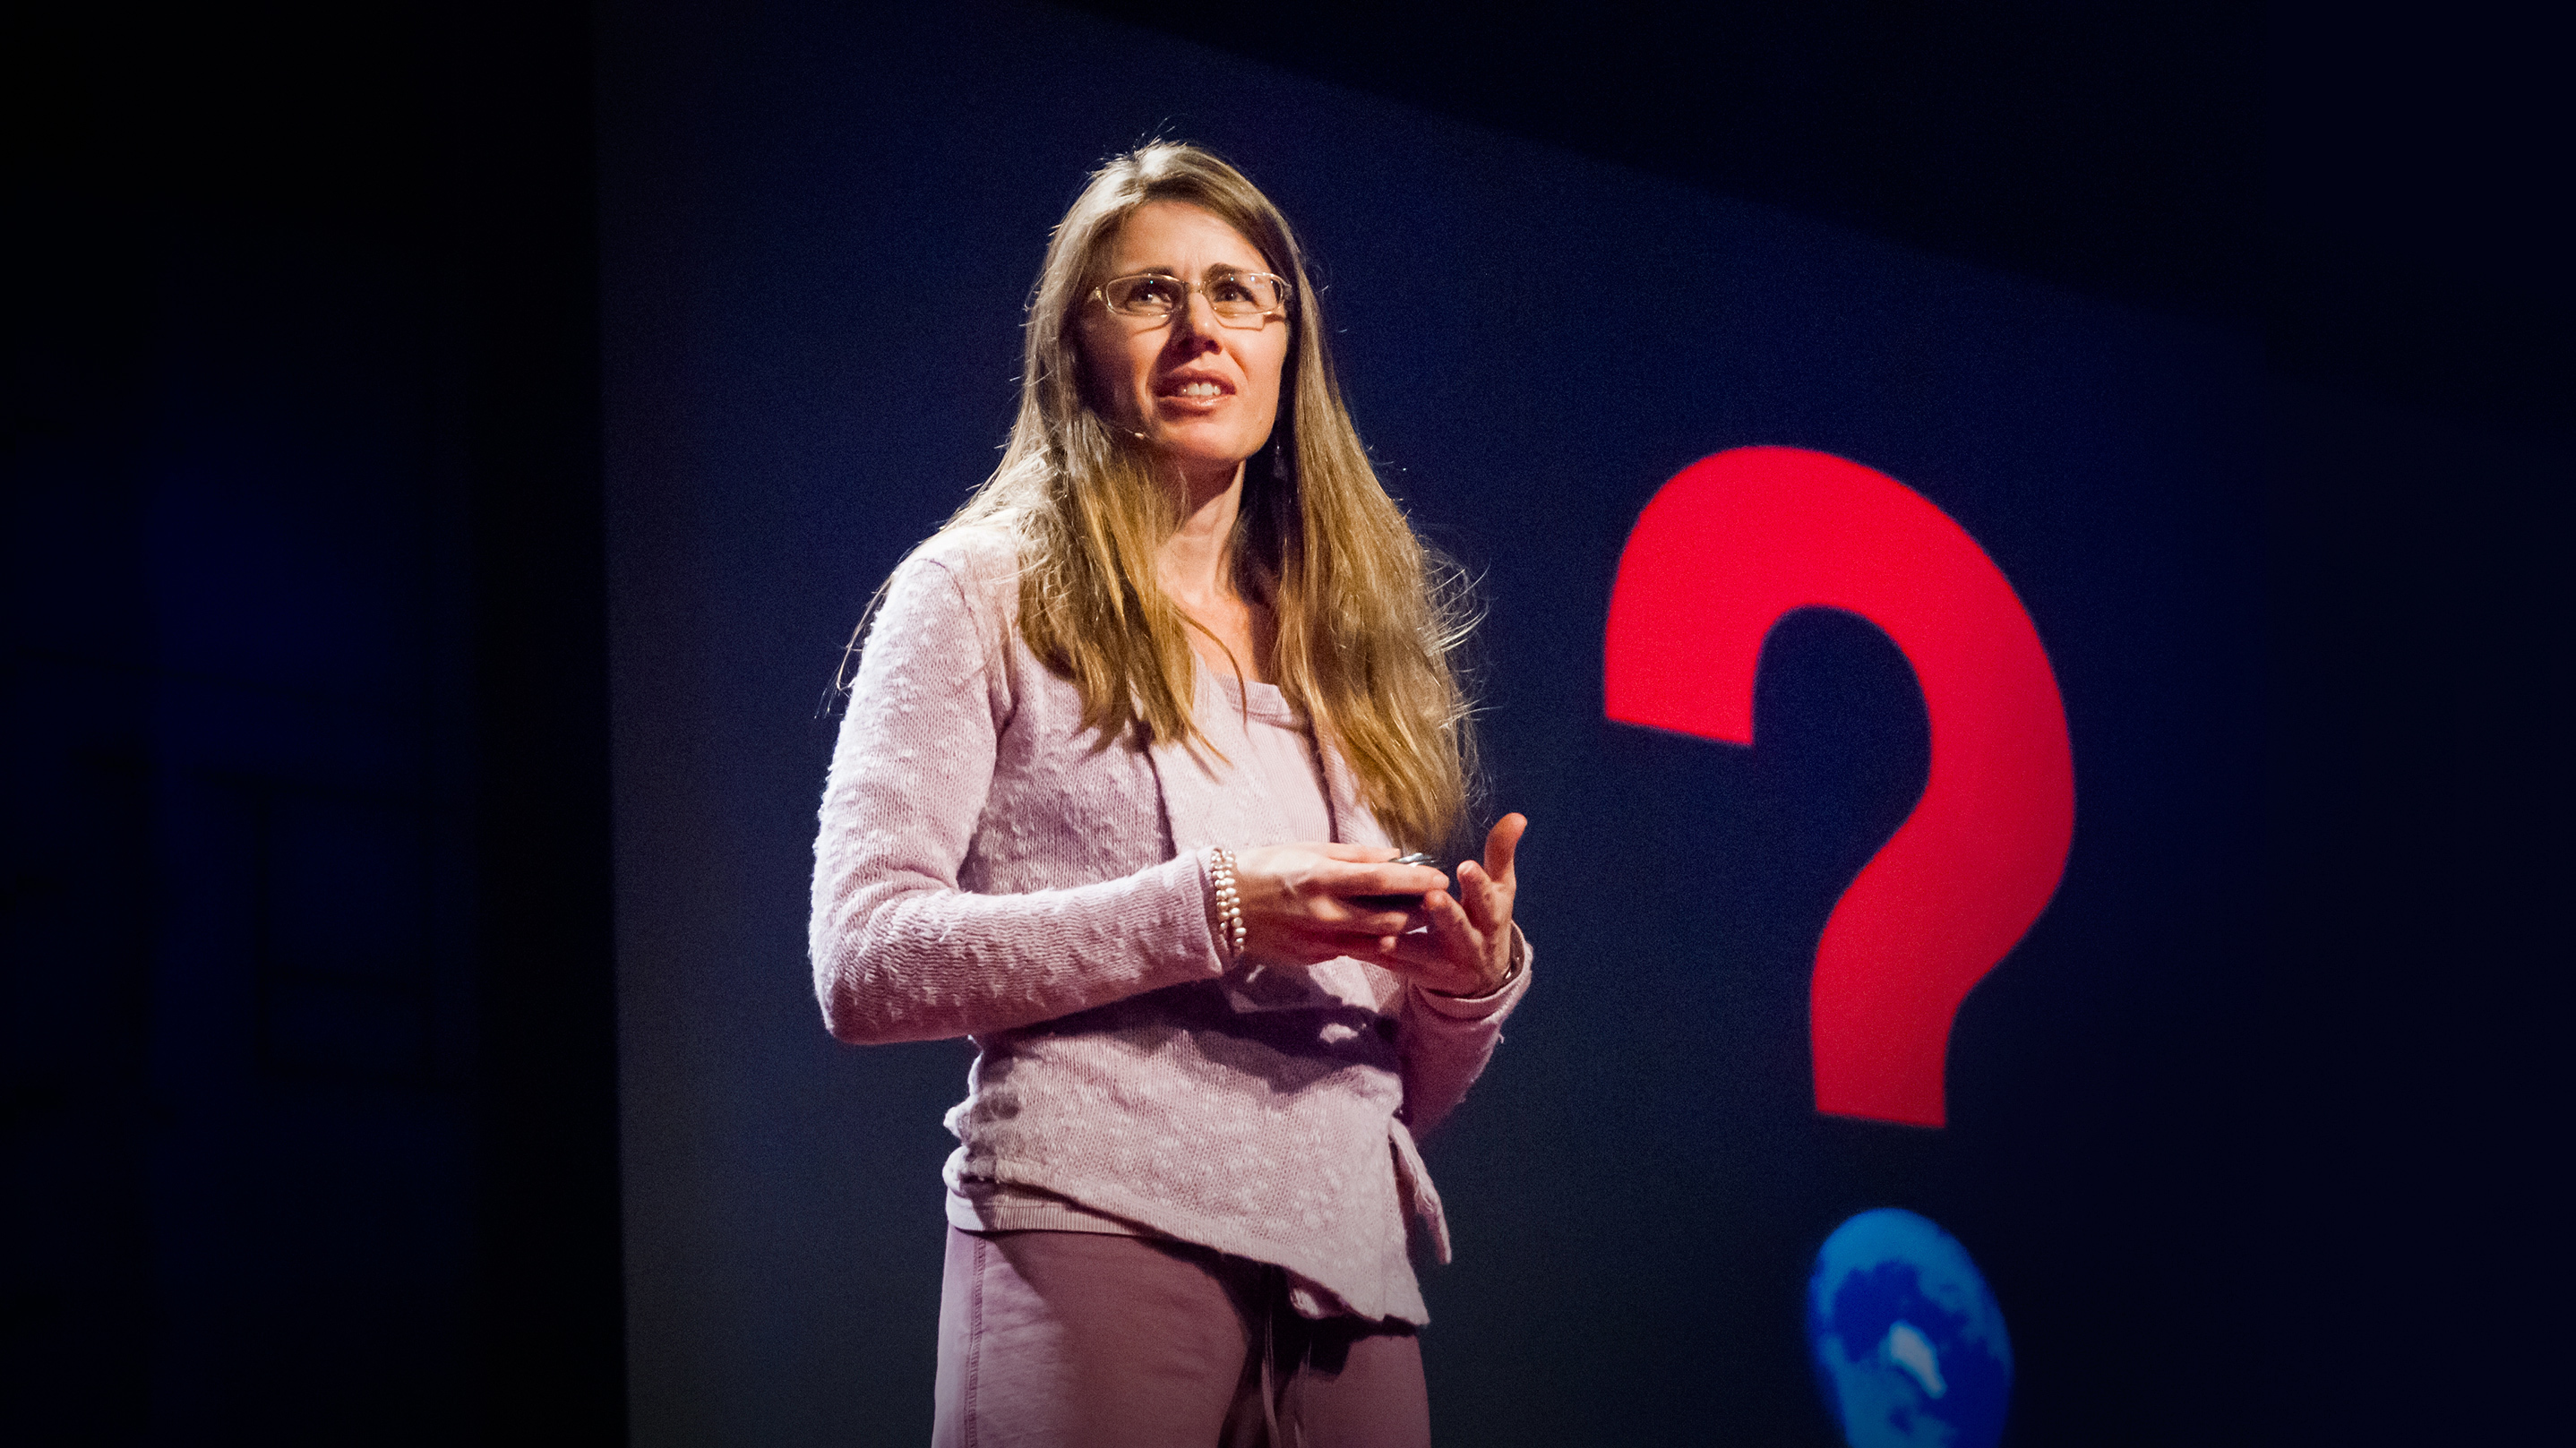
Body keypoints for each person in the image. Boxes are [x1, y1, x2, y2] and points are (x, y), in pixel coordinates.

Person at [810, 141, 1531, 1448]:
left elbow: (1394, 1086)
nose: (1200, 327)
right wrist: (1216, 906)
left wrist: (1457, 987)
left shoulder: (1345, 646)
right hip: (1092, 1231)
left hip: (1353, 1285)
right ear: (1073, 344)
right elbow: (862, 961)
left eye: (1238, 293)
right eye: (1148, 294)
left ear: (1288, 341)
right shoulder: (977, 594)